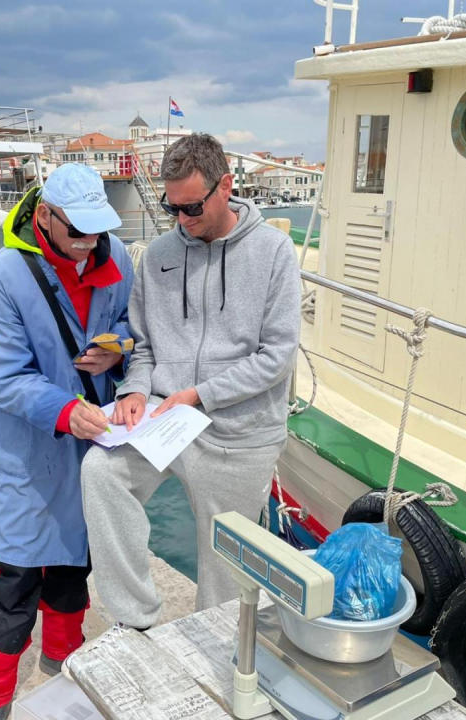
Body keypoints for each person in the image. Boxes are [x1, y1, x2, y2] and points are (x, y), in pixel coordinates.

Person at [80, 133, 302, 631]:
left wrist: (201, 394)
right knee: (100, 474)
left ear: (226, 186)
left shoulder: (274, 252)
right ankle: (135, 622)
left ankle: (217, 653)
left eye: (192, 207)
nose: (181, 220)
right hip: (165, 415)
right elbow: (144, 344)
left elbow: (278, 356)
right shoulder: (157, 254)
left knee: (224, 575)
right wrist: (134, 390)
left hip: (239, 433)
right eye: (171, 207)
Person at [0, 164, 133, 720]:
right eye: (76, 230)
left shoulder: (119, 260)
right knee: (12, 580)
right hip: (29, 451)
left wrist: (120, 351)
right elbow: (5, 377)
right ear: (43, 216)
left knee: (72, 566)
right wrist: (63, 409)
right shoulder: (3, 275)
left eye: (97, 230)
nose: (89, 243)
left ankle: (63, 657)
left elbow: (133, 328)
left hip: (91, 444)